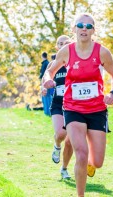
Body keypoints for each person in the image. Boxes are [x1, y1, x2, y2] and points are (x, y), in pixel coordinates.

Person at [43, 13, 113, 197]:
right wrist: (47, 80)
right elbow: (50, 71)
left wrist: (112, 92)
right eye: (80, 25)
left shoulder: (102, 52)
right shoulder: (66, 51)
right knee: (81, 152)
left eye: (88, 26)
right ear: (74, 29)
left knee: (98, 161)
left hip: (97, 110)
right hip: (73, 108)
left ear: (93, 30)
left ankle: (91, 165)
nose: (84, 29)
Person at [42, 35, 73, 179]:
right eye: (59, 43)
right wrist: (44, 87)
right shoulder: (53, 64)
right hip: (58, 104)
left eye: (65, 43)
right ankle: (56, 145)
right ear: (56, 47)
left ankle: (64, 168)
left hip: (74, 104)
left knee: (71, 140)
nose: (62, 46)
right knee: (61, 134)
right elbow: (45, 77)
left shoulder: (74, 62)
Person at [39, 52, 53, 116]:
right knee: (46, 96)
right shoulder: (47, 63)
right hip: (46, 82)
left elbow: (45, 73)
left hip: (46, 82)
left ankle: (48, 111)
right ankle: (47, 111)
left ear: (42, 56)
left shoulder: (46, 63)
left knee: (46, 96)